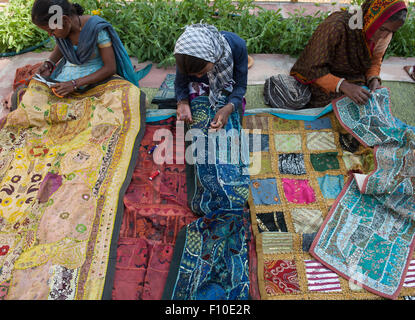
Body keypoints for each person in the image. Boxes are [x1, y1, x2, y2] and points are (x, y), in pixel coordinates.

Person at [173, 23, 250, 215]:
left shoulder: (237, 47)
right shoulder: (186, 55)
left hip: (226, 88)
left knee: (230, 138)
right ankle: (206, 192)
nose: (200, 75)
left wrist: (228, 108)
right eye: (196, 74)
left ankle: (231, 190)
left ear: (213, 56)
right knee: (200, 138)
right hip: (199, 90)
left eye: (202, 71)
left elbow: (240, 86)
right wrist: (182, 102)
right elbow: (181, 82)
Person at [290, 0, 408, 108]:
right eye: (382, 29)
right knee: (341, 106)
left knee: (368, 103)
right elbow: (311, 68)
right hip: (321, 78)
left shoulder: (386, 34)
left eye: (391, 32)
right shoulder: (336, 27)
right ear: (371, 18)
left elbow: (375, 60)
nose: (383, 36)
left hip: (353, 77)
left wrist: (373, 78)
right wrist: (344, 86)